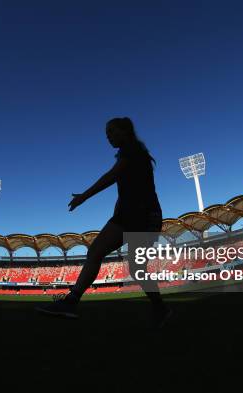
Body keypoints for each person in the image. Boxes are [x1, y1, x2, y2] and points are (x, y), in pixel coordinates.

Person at [36, 117, 172, 327]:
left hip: (141, 217)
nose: (108, 136)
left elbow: (111, 177)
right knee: (113, 259)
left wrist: (84, 196)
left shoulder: (132, 152)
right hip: (136, 216)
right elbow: (128, 186)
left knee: (113, 259)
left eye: (111, 131)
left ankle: (71, 303)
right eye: (106, 133)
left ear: (125, 131)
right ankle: (160, 310)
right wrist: (118, 209)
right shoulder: (132, 154)